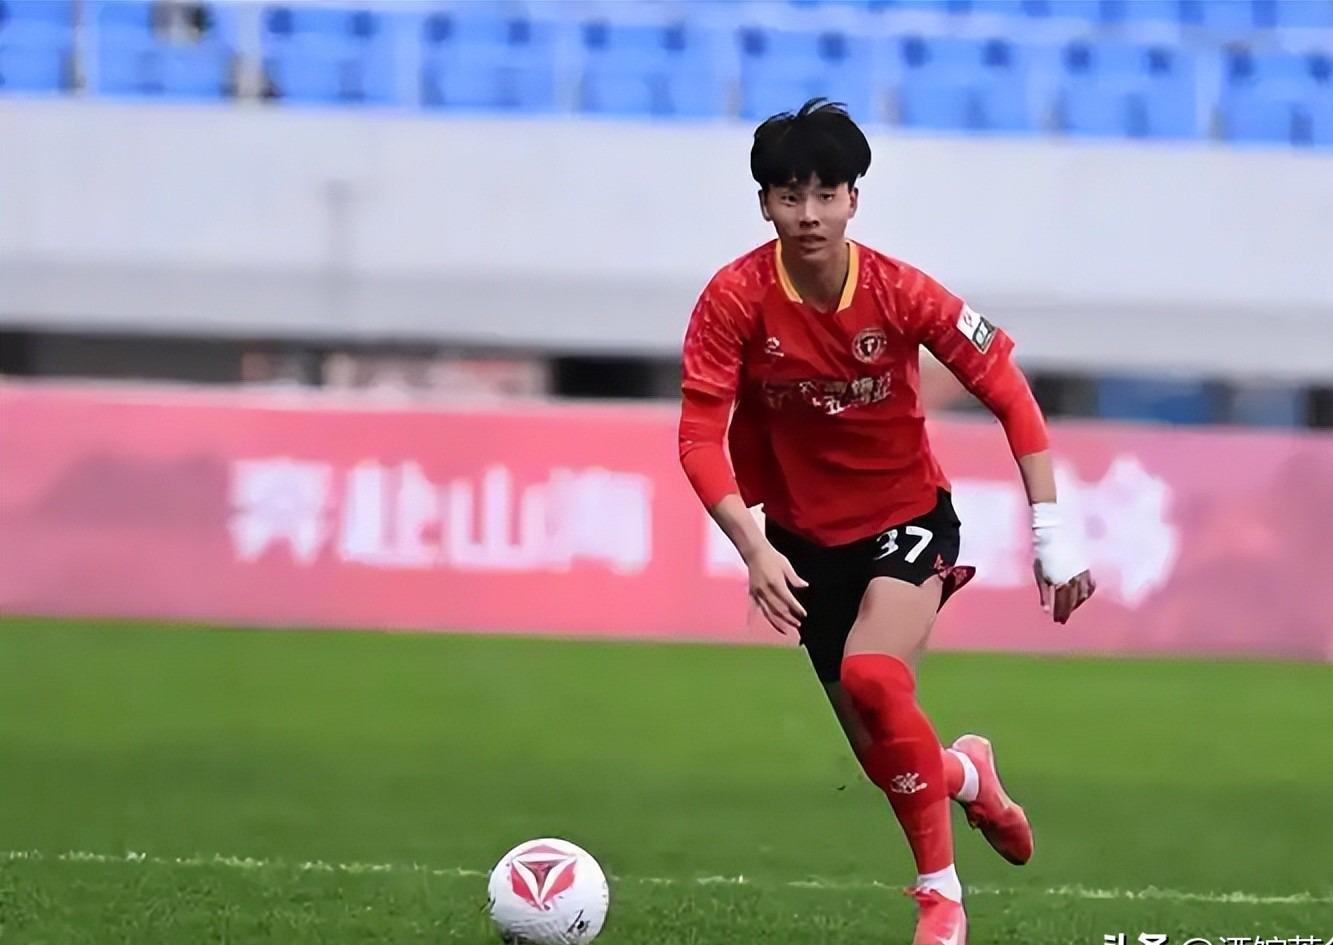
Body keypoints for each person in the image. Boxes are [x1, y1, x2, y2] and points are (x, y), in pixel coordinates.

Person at [677, 99, 1096, 945]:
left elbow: (1007, 392)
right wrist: (753, 548)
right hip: (802, 541)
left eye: (824, 194)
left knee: (873, 677)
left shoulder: (900, 291)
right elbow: (696, 438)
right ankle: (967, 775)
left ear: (852, 200)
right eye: (789, 196)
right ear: (764, 204)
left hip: (907, 517)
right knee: (885, 759)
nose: (808, 214)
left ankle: (940, 898)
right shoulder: (733, 299)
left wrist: (1050, 534)